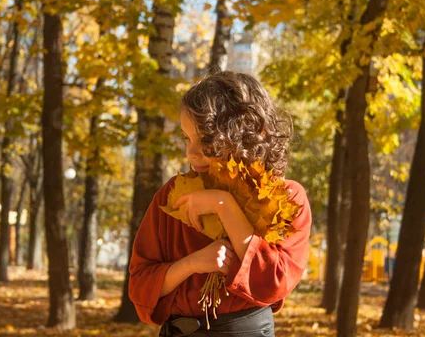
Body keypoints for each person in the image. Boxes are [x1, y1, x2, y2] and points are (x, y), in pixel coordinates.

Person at [128, 71, 312, 336]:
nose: (191, 153)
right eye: (186, 138)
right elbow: (140, 286)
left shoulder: (286, 199)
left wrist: (223, 205)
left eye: (206, 139)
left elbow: (274, 281)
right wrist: (191, 264)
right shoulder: (173, 196)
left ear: (247, 134)